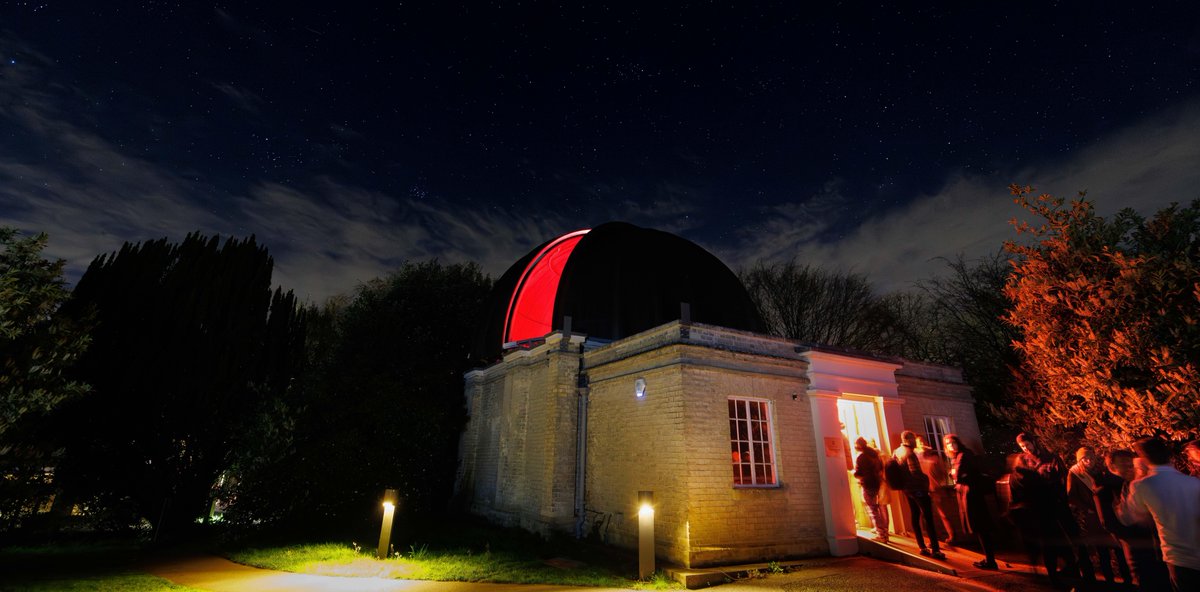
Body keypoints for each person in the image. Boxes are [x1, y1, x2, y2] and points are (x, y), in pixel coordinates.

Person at [1122, 437, 1200, 592]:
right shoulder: (1194, 483)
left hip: (1178, 557)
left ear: (1144, 459)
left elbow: (1128, 517)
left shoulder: (1141, 485)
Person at [1095, 449, 1170, 591]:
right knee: (1145, 580)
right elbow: (1108, 523)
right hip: (1135, 545)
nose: (1129, 467)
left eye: (1130, 463)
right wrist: (1131, 537)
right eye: (1123, 463)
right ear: (1112, 467)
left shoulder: (1140, 483)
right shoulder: (1105, 489)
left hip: (1156, 543)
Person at [1015, 432, 1083, 586]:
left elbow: (1062, 477)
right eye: (1022, 446)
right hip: (1040, 508)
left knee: (1069, 537)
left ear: (1033, 442)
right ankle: (1053, 574)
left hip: (1058, 504)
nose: (1025, 448)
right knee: (1048, 542)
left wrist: (1062, 497)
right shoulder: (1022, 460)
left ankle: (1076, 570)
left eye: (1027, 444)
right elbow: (1019, 482)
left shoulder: (1050, 458)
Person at [1068, 446, 1130, 584]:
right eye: (1085, 458)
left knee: (1118, 549)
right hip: (1093, 518)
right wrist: (1087, 508)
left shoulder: (1101, 471)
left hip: (1108, 512)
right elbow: (1072, 496)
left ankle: (1127, 580)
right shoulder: (1075, 473)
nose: (1089, 461)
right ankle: (1109, 581)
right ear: (1080, 460)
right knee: (1102, 552)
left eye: (1091, 457)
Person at [943, 433, 998, 570]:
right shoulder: (959, 456)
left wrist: (955, 472)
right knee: (980, 527)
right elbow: (957, 474)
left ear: (957, 442)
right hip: (969, 494)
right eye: (948, 444)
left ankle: (990, 560)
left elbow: (957, 473)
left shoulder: (964, 455)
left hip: (972, 495)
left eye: (953, 442)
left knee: (981, 526)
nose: (951, 445)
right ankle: (989, 558)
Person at [894, 430, 945, 560]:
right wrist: (926, 483)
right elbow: (916, 472)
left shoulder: (897, 451)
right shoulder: (910, 453)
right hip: (918, 489)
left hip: (907, 489)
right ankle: (935, 549)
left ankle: (922, 546)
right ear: (909, 439)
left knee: (915, 515)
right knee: (928, 517)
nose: (914, 442)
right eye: (913, 439)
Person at [916, 435, 957, 545]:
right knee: (927, 515)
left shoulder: (933, 457)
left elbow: (942, 472)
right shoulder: (917, 457)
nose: (920, 444)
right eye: (918, 442)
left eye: (921, 441)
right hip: (924, 489)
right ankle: (934, 538)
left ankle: (951, 535)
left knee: (942, 513)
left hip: (935, 488)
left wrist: (939, 481)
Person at [853, 437, 889, 543]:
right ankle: (885, 533)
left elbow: (858, 473)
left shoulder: (861, 457)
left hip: (868, 484)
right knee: (880, 508)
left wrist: (856, 475)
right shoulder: (875, 455)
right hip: (877, 483)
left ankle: (881, 534)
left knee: (873, 510)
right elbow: (881, 469)